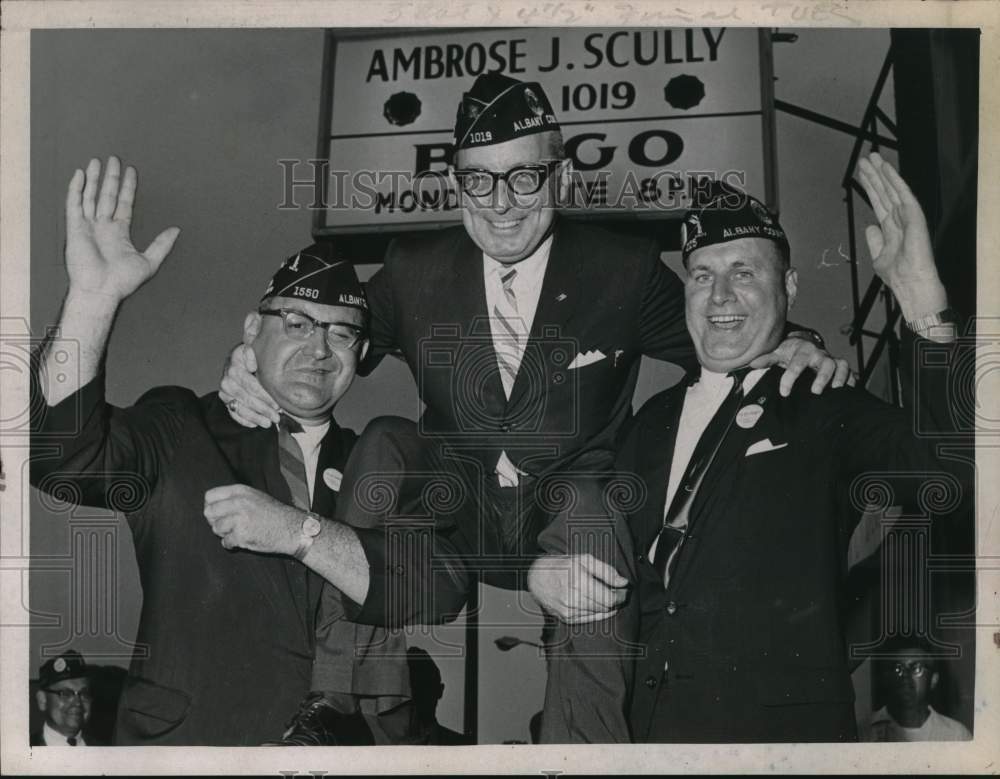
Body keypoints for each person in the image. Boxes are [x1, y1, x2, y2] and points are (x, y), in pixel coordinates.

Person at [219, 73, 848, 743]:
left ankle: (583, 747)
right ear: (456, 184)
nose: (501, 204)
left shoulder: (623, 269)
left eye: (524, 178)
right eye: (479, 180)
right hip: (455, 517)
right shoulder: (413, 268)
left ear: (562, 178)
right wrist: (253, 362)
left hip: (570, 517)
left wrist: (795, 341)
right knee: (385, 439)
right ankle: (340, 701)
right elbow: (326, 337)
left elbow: (720, 335)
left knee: (593, 503)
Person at [30, 157, 408, 745]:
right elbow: (63, 460)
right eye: (297, 323)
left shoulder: (372, 464)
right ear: (252, 331)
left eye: (342, 332)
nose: (319, 349)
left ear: (360, 354)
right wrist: (92, 301)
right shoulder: (182, 427)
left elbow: (417, 588)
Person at [607, 152, 969, 742]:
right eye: (702, 275)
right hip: (654, 740)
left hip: (780, 740)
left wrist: (924, 306)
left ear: (790, 287)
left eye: (744, 272)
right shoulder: (650, 422)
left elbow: (950, 470)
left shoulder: (821, 398)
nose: (720, 295)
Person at [864, 637, 972, 741]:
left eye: (916, 668)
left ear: (933, 680)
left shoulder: (957, 735)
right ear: (887, 677)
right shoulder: (863, 731)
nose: (905, 676)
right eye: (898, 668)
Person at [31, 650, 101, 746]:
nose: (77, 702)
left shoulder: (104, 750)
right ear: (42, 700)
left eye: (84, 694)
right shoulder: (23, 749)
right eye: (66, 694)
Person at [405, 647, 472, 745]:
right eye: (414, 686)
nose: (416, 695)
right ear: (440, 691)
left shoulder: (462, 745)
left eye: (424, 686)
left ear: (439, 690)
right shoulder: (461, 745)